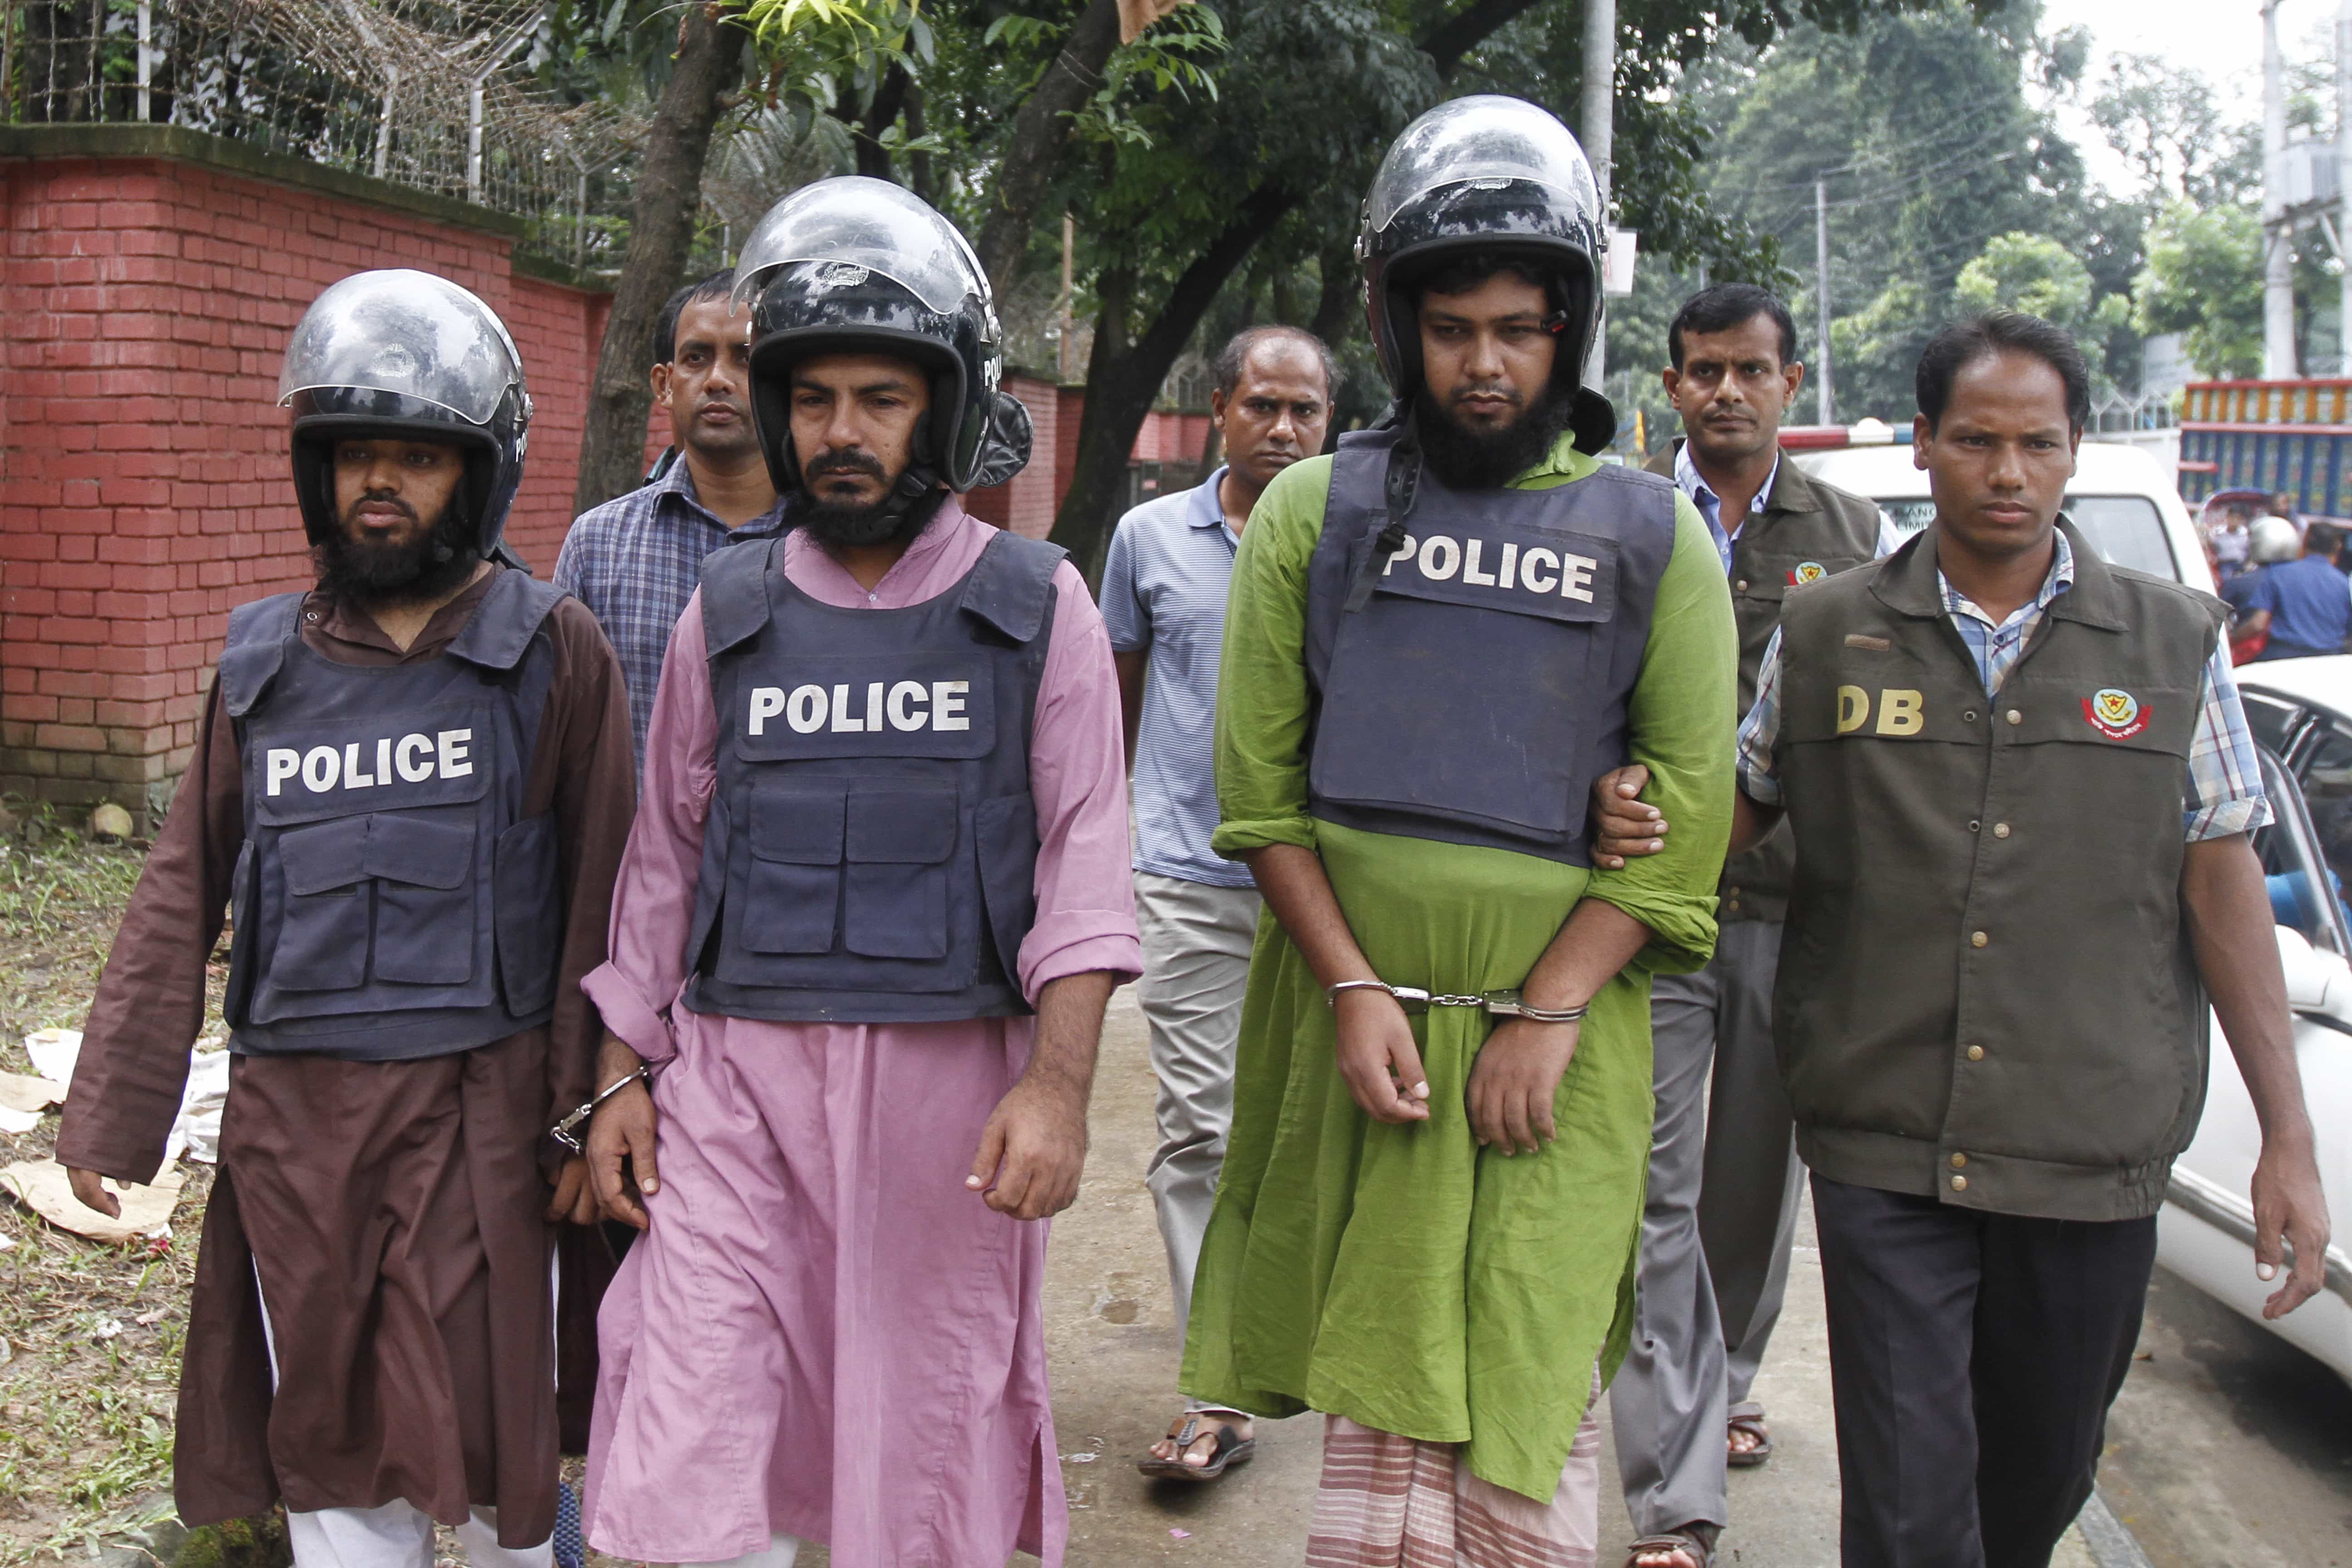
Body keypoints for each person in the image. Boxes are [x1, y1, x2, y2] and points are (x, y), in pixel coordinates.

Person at [1612, 311, 2330, 1568]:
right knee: (1902, 1498)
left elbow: (2224, 890)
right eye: (1979, 442)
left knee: (2041, 1471)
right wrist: (1615, 861)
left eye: (2038, 445)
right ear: (1929, 445)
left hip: (2087, 1143)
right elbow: (1726, 821)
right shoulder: (1828, 632)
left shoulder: (2171, 646)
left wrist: (2287, 1138)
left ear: (2073, 453)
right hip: (1884, 1136)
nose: (2009, 473)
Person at [1179, 96, 1737, 1568]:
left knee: (1524, 1386)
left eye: (1517, 326)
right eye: (1449, 326)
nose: (1483, 361)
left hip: (1563, 1053)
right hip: (1349, 1030)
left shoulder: (1654, 534)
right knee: (1374, 1407)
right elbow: (1263, 796)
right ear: (1393, 324)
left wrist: (1547, 1011)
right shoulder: (1312, 512)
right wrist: (1355, 985)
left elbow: (1684, 820)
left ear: (1568, 330)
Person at [575, 176, 1140, 1568]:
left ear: (939, 409)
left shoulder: (1036, 605)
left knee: (920, 1458)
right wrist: (613, 1079)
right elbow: (665, 866)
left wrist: (1058, 1089)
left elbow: (1085, 870)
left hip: (949, 1111)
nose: (840, 432)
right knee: (684, 1435)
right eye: (813, 396)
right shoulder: (733, 609)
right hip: (734, 1096)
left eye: (879, 399)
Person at [57, 270, 635, 1568]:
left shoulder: (554, 650)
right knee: (329, 1457)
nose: (381, 482)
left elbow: (606, 901)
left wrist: (582, 1113)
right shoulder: (260, 666)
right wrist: (112, 1111)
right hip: (300, 1140)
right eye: (355, 455)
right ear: (314, 471)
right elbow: (177, 893)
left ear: (477, 473)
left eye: (418, 456)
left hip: (488, 1130)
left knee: (501, 1476)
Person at [1599, 283, 1890, 1568]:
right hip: (1648, 910)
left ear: (1792, 383)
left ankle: (1737, 1369)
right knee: (1654, 1187)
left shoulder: (1855, 534)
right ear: (1671, 388)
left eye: (1751, 370)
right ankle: (1678, 1480)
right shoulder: (1623, 514)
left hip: (1789, 906)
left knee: (1752, 1182)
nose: (1727, 391)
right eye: (1703, 370)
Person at [1101, 323, 1337, 1481]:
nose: (1284, 429)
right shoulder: (1149, 538)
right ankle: (1217, 1392)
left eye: (1305, 410)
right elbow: (1120, 695)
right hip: (1190, 877)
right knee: (1201, 1127)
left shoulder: (1358, 535)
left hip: (1334, 892)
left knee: (1316, 1127)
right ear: (1217, 411)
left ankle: (1330, 1354)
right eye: (1263, 406)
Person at [555, 270, 787, 771]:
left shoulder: (828, 542)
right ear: (665, 384)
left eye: (745, 358)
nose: (719, 379)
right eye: (697, 357)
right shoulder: (597, 546)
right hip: (637, 848)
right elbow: (562, 739)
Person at [2235, 519, 2350, 659]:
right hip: (2328, 660)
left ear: (2304, 543)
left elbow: (2258, 625)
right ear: (2338, 547)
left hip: (2282, 657)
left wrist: (2230, 640)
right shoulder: (2344, 584)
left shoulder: (2278, 574)